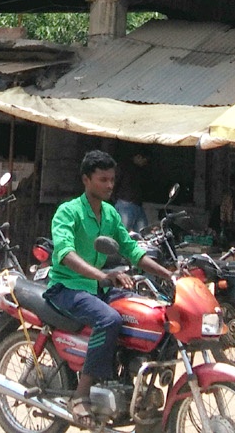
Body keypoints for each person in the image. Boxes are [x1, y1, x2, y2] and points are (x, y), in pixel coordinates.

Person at [47, 150, 173, 423]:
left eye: (112, 179)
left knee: (148, 311)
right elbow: (66, 253)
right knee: (109, 319)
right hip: (67, 287)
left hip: (96, 287)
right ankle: (81, 395)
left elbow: (132, 250)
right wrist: (102, 276)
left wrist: (168, 274)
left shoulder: (110, 214)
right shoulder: (68, 212)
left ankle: (129, 381)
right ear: (86, 180)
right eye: (103, 179)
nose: (109, 185)